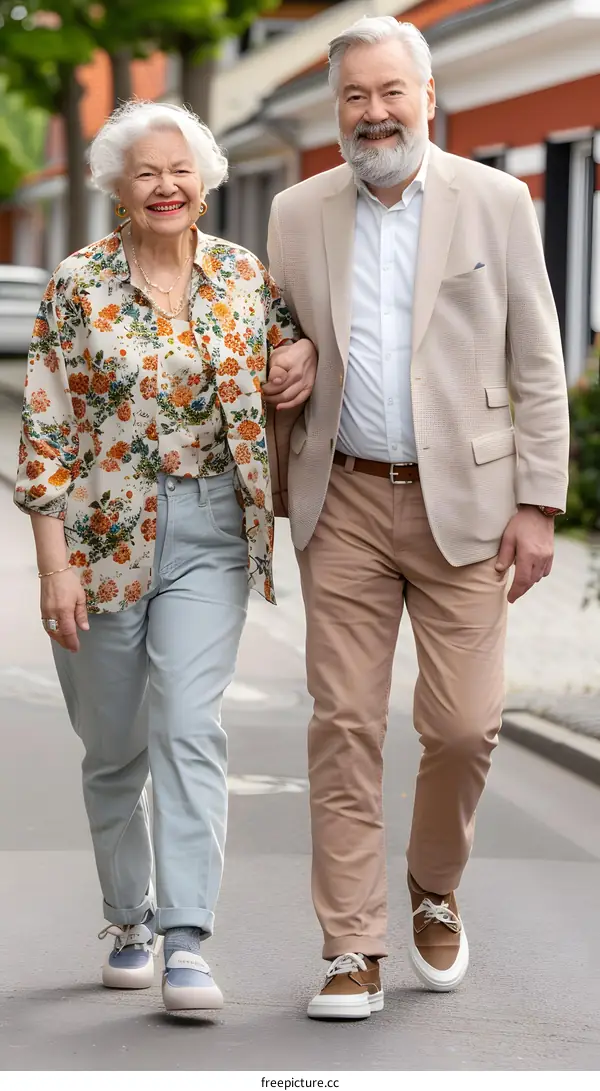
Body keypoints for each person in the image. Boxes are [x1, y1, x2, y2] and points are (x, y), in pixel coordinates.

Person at [267, 16, 570, 1020]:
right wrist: (290, 361)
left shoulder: (497, 200)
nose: (373, 112)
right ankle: (353, 946)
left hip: (473, 506)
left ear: (428, 97)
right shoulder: (296, 210)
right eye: (355, 95)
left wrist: (538, 500)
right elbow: (281, 339)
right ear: (337, 109)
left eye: (391, 91)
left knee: (465, 725)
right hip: (342, 495)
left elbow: (536, 358)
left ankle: (435, 881)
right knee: (344, 723)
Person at [14, 100, 316, 1014]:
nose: (165, 186)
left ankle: (186, 934)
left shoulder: (241, 276)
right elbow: (46, 425)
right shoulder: (79, 282)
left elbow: (296, 347)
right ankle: (128, 915)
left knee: (189, 722)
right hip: (103, 534)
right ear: (117, 185)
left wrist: (298, 350)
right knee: (113, 745)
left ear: (206, 179)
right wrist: (53, 561)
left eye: (180, 170)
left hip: (212, 526)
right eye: (145, 172)